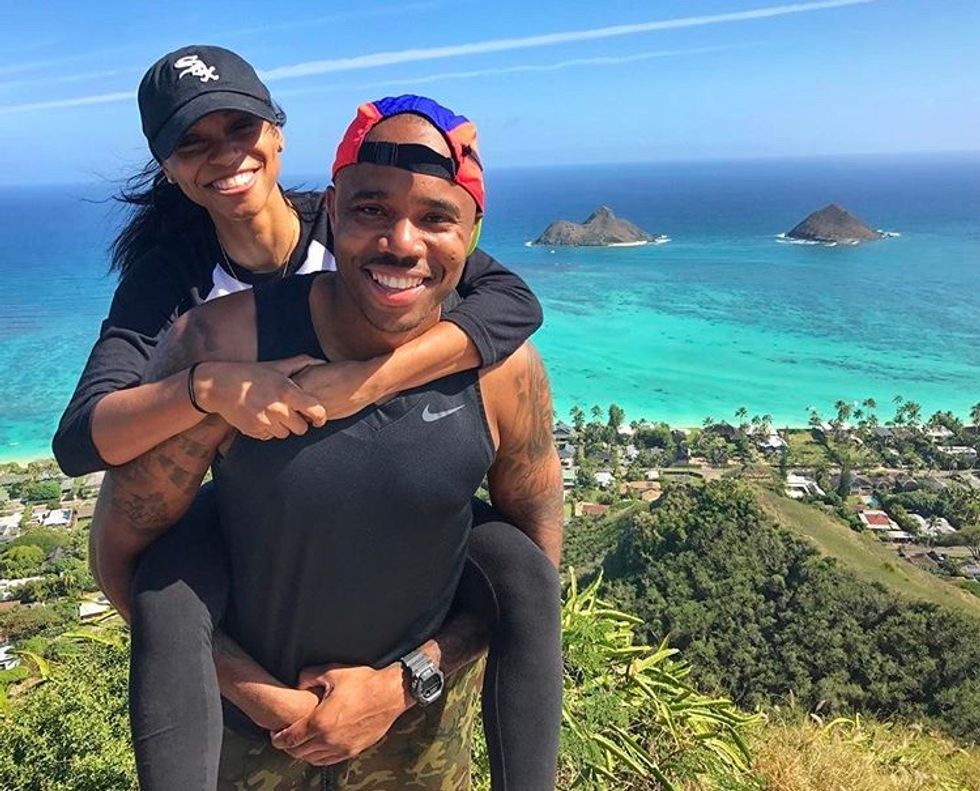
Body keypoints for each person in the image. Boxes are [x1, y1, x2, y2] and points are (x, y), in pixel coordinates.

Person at [69, 43, 559, 791]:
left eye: (240, 128)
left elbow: (513, 304)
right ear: (167, 167)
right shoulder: (188, 303)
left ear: (276, 131)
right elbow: (85, 445)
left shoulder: (372, 242)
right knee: (175, 578)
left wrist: (363, 383)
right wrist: (208, 386)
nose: (401, 241)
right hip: (250, 592)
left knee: (514, 565)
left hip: (413, 711)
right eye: (192, 143)